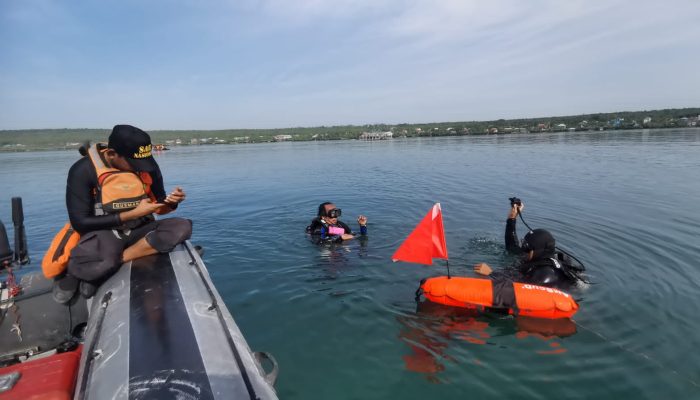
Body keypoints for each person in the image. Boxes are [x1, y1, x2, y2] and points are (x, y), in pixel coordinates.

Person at [53, 124, 192, 303]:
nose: (139, 168)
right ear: (111, 154)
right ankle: (90, 267)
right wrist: (129, 214)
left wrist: (171, 203)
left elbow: (159, 206)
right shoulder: (83, 171)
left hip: (139, 228)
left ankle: (112, 263)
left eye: (143, 162)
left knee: (182, 227)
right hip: (105, 232)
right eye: (134, 163)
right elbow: (80, 222)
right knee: (102, 258)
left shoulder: (146, 165)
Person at [473, 201, 584, 290]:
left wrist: (492, 273)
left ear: (538, 250)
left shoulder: (546, 276)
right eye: (524, 245)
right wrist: (511, 218)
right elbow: (512, 247)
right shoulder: (535, 255)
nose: (523, 250)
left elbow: (518, 290)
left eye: (527, 247)